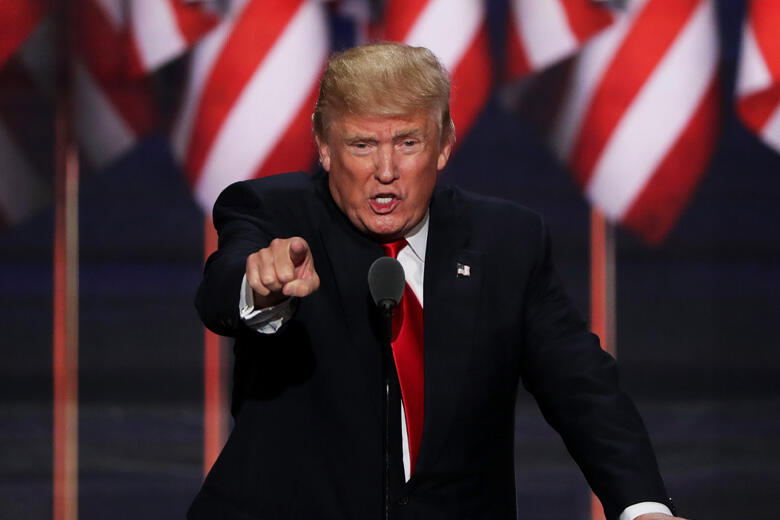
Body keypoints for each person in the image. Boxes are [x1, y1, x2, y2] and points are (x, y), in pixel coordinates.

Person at [189, 42, 684, 520]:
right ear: (324, 147)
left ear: (445, 144)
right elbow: (221, 289)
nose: (386, 171)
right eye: (362, 145)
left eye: (408, 142)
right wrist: (259, 289)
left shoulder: (505, 241)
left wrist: (643, 508)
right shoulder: (273, 211)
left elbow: (581, 386)